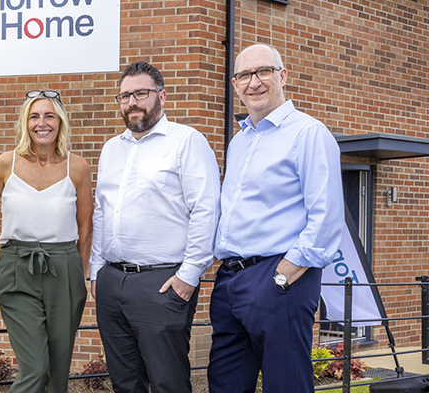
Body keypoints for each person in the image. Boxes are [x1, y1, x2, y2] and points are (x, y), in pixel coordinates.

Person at [208, 44, 344, 393]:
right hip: (230, 281)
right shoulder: (240, 141)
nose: (253, 82)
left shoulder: (308, 133)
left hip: (279, 279)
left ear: (282, 75)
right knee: (225, 383)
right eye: (244, 75)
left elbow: (326, 218)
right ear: (235, 84)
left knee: (286, 385)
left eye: (263, 71)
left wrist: (283, 277)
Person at [90, 61, 221, 393]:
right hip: (111, 281)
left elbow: (206, 209)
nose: (132, 102)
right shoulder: (111, 149)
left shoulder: (186, 141)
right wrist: (96, 270)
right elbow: (101, 212)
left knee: (167, 382)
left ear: (161, 96)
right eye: (125, 96)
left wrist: (189, 276)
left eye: (141, 93)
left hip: (162, 284)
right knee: (125, 382)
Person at [0, 90, 93, 393]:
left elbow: (85, 225)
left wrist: (80, 273)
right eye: (34, 116)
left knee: (57, 375)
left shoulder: (76, 167)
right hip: (16, 268)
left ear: (60, 121)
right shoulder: (6, 163)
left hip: (63, 268)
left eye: (49, 115)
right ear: (25, 123)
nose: (42, 123)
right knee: (36, 368)